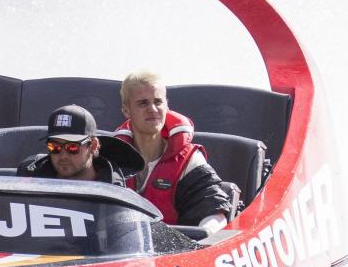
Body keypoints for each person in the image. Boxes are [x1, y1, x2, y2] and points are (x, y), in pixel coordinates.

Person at [115, 71, 231, 233]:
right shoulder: (111, 159)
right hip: (119, 251)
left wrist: (205, 234)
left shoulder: (190, 161)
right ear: (126, 110)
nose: (152, 109)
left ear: (167, 106)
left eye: (158, 102)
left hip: (174, 253)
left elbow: (215, 213)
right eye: (143, 103)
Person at [18, 105, 143, 185]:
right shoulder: (31, 180)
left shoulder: (115, 193)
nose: (63, 156)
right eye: (54, 147)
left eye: (72, 147)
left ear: (93, 146)